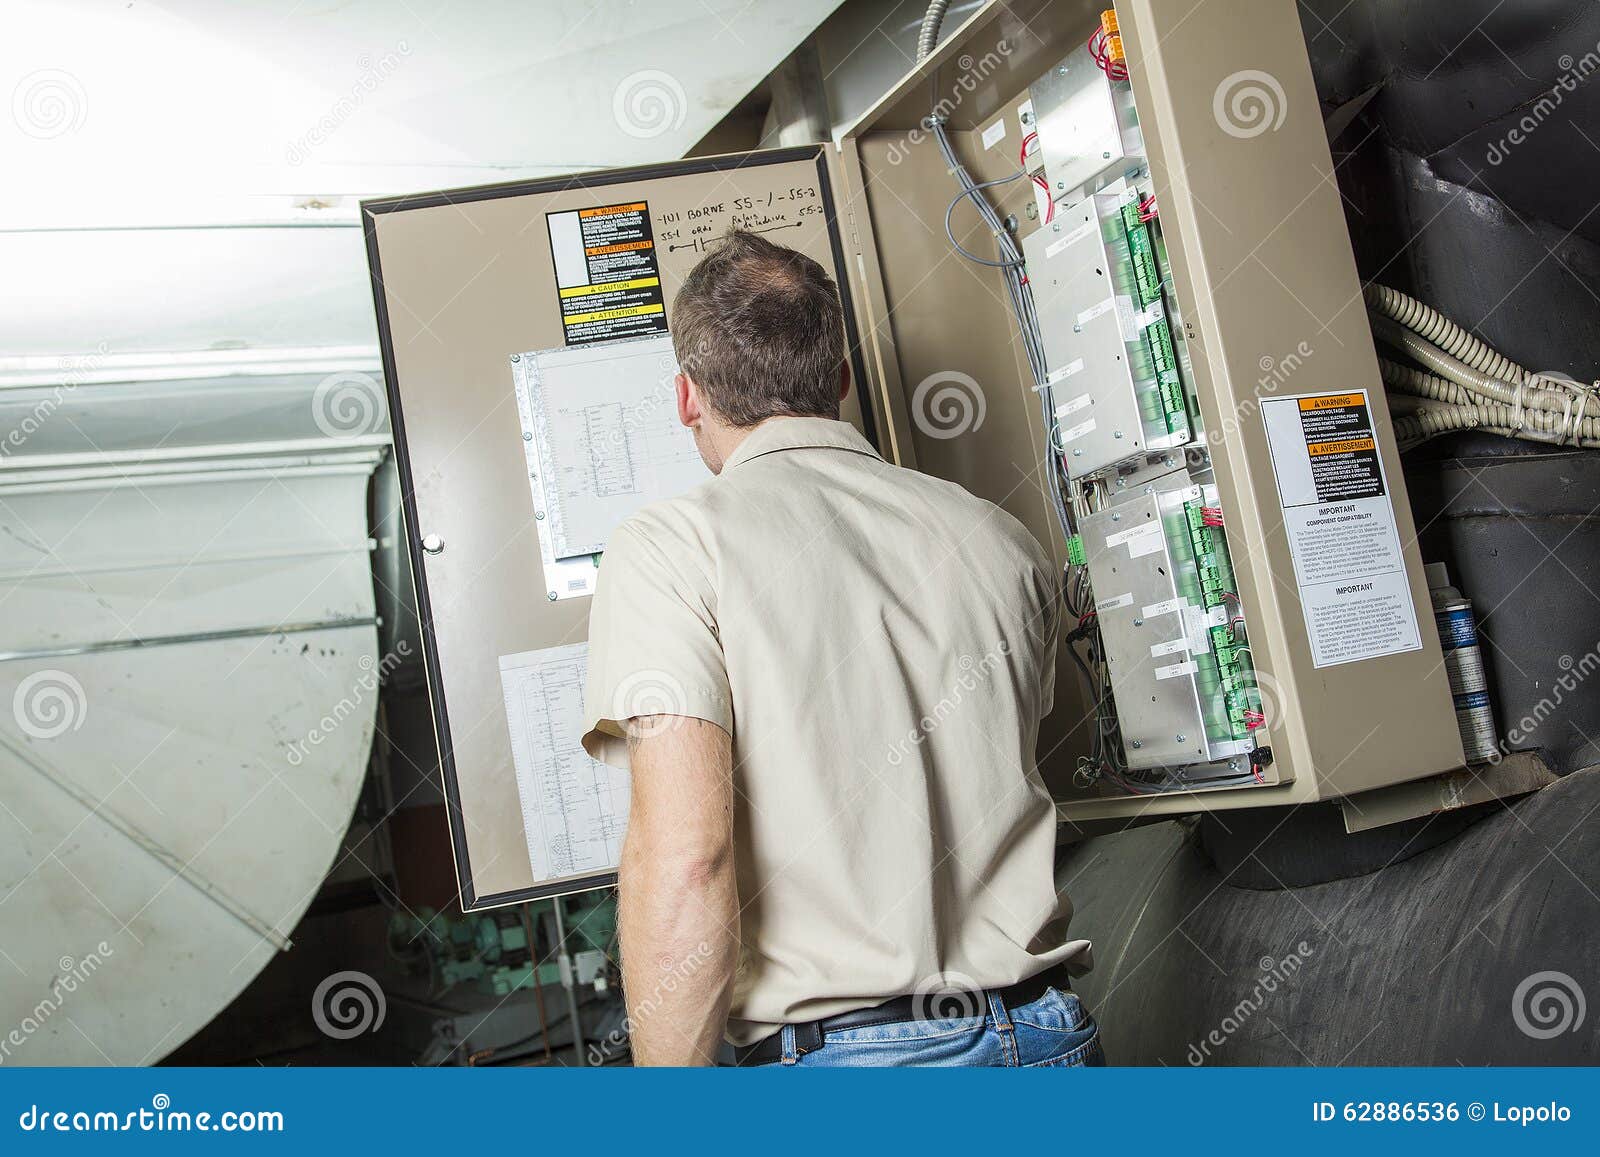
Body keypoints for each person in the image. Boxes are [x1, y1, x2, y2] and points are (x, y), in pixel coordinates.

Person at [581, 229, 1098, 1067]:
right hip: (1045, 1036)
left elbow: (687, 857)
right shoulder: (999, 538)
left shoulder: (672, 549)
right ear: (844, 380)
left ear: (687, 397)